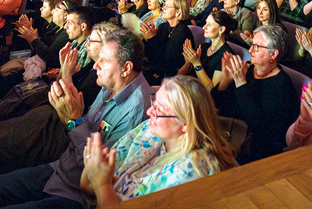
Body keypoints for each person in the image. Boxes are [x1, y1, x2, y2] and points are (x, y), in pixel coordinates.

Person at [0, 29, 154, 208]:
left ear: (126, 68)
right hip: (60, 169)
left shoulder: (135, 110)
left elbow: (97, 168)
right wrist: (66, 76)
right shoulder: (114, 80)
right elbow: (82, 124)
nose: (96, 65)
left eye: (104, 60)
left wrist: (74, 121)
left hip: (75, 194)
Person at [78, 75, 234, 207]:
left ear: (186, 124)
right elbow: (90, 187)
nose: (149, 112)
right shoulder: (150, 130)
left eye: (160, 110)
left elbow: (102, 187)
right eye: (154, 103)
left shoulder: (191, 171)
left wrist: (102, 184)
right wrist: (93, 168)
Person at [212, 24, 299, 163]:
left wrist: (240, 82)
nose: (250, 49)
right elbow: (219, 106)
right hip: (229, 133)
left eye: (257, 47)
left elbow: (259, 126)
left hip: (257, 151)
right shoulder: (248, 70)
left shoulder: (282, 85)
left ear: (273, 54)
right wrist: (226, 81)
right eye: (252, 44)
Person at [141, 0, 194, 84]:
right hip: (160, 69)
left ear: (178, 12)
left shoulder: (182, 32)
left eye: (168, 6)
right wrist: (146, 39)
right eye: (164, 5)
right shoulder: (164, 26)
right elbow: (150, 54)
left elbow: (165, 61)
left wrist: (152, 39)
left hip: (174, 77)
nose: (163, 8)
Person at [179, 11, 236, 90]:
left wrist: (196, 64)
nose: (204, 27)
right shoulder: (204, 46)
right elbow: (179, 76)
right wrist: (188, 63)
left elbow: (211, 91)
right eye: (206, 23)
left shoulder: (227, 56)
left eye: (209, 24)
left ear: (221, 29)